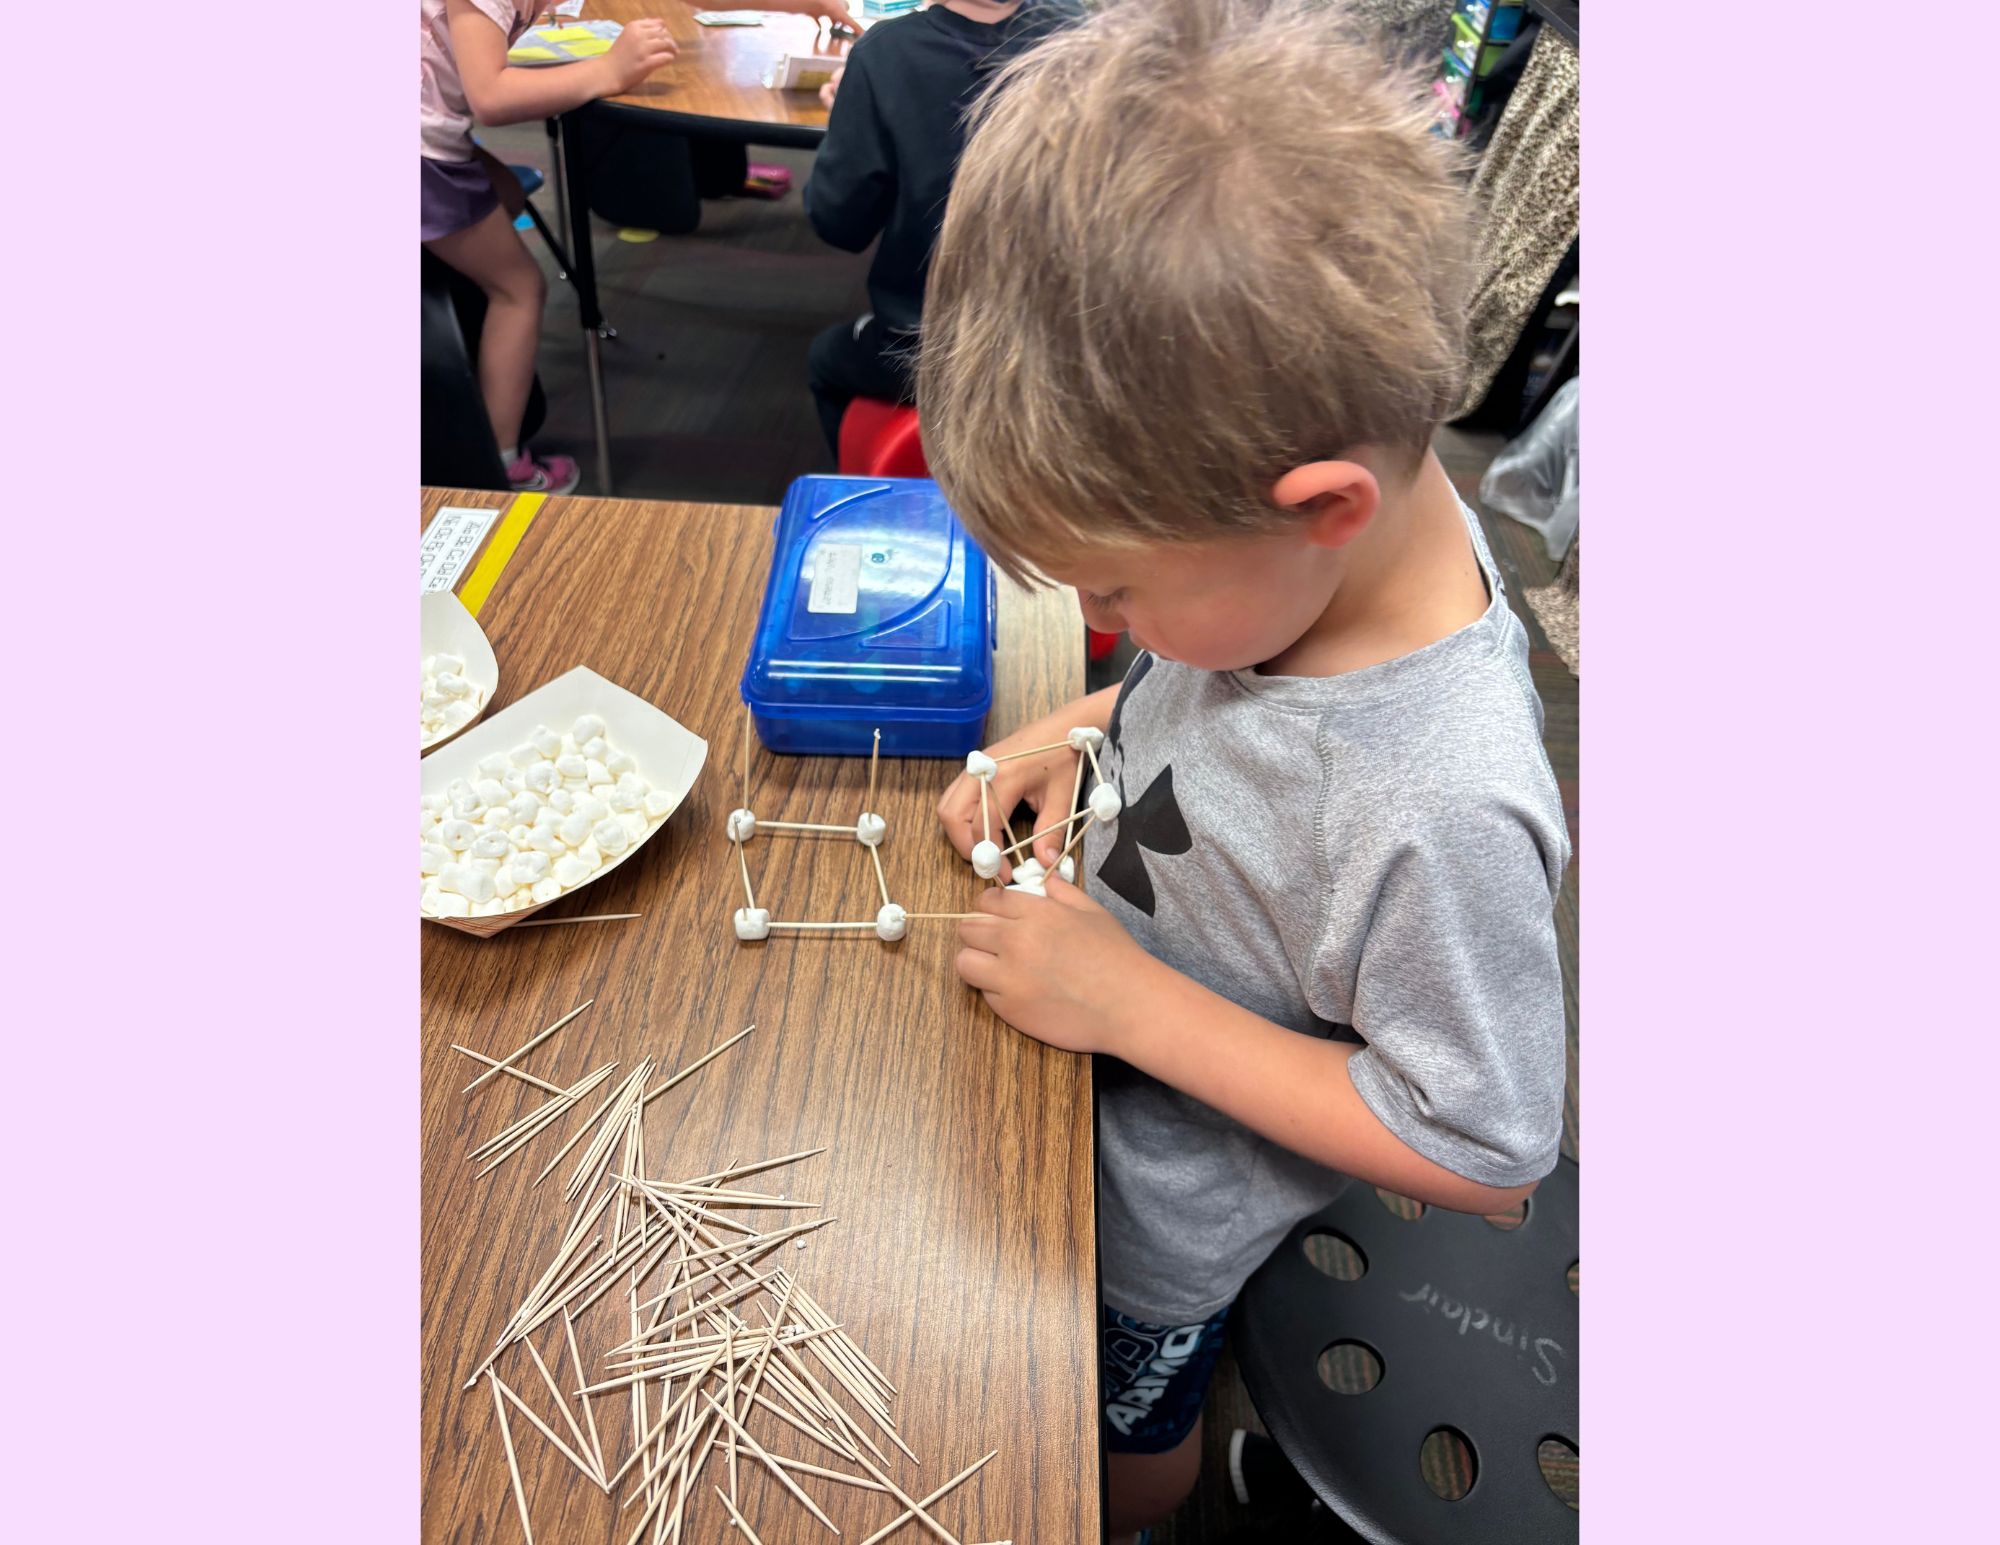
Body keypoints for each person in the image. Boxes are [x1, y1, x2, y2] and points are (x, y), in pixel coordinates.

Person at [921, 2, 1569, 1538]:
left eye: (1119, 592)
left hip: (1165, 1225)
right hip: (1068, 1079)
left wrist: (1129, 1006)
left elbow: (1485, 1149)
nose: (1106, 622)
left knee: (1106, 1434)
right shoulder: (1301, 570)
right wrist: (1084, 725)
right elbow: (1218, 682)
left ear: (1323, 505)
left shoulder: (1442, 804)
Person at [422, 1, 860, 493]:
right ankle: (502, 465)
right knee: (519, 289)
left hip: (435, 137)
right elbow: (490, 96)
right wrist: (607, 70)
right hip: (423, 149)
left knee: (503, 194)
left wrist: (805, 4)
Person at [802, 0, 1065, 458]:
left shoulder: (885, 54)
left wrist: (851, 121)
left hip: (931, 349)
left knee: (827, 359)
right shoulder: (1088, 38)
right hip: (1071, 341)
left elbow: (839, 223)